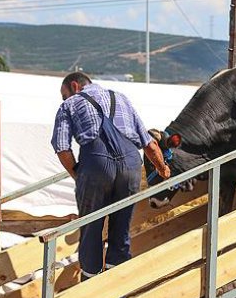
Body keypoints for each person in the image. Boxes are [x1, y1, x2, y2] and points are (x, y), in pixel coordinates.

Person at [51, 72, 170, 286]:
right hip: (131, 166)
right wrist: (164, 170)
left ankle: (91, 288)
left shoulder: (69, 105)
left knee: (91, 229)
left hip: (96, 166)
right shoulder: (121, 98)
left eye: (64, 94)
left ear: (75, 86)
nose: (64, 99)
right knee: (121, 230)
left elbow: (61, 148)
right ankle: (116, 292)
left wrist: (79, 176)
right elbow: (150, 144)